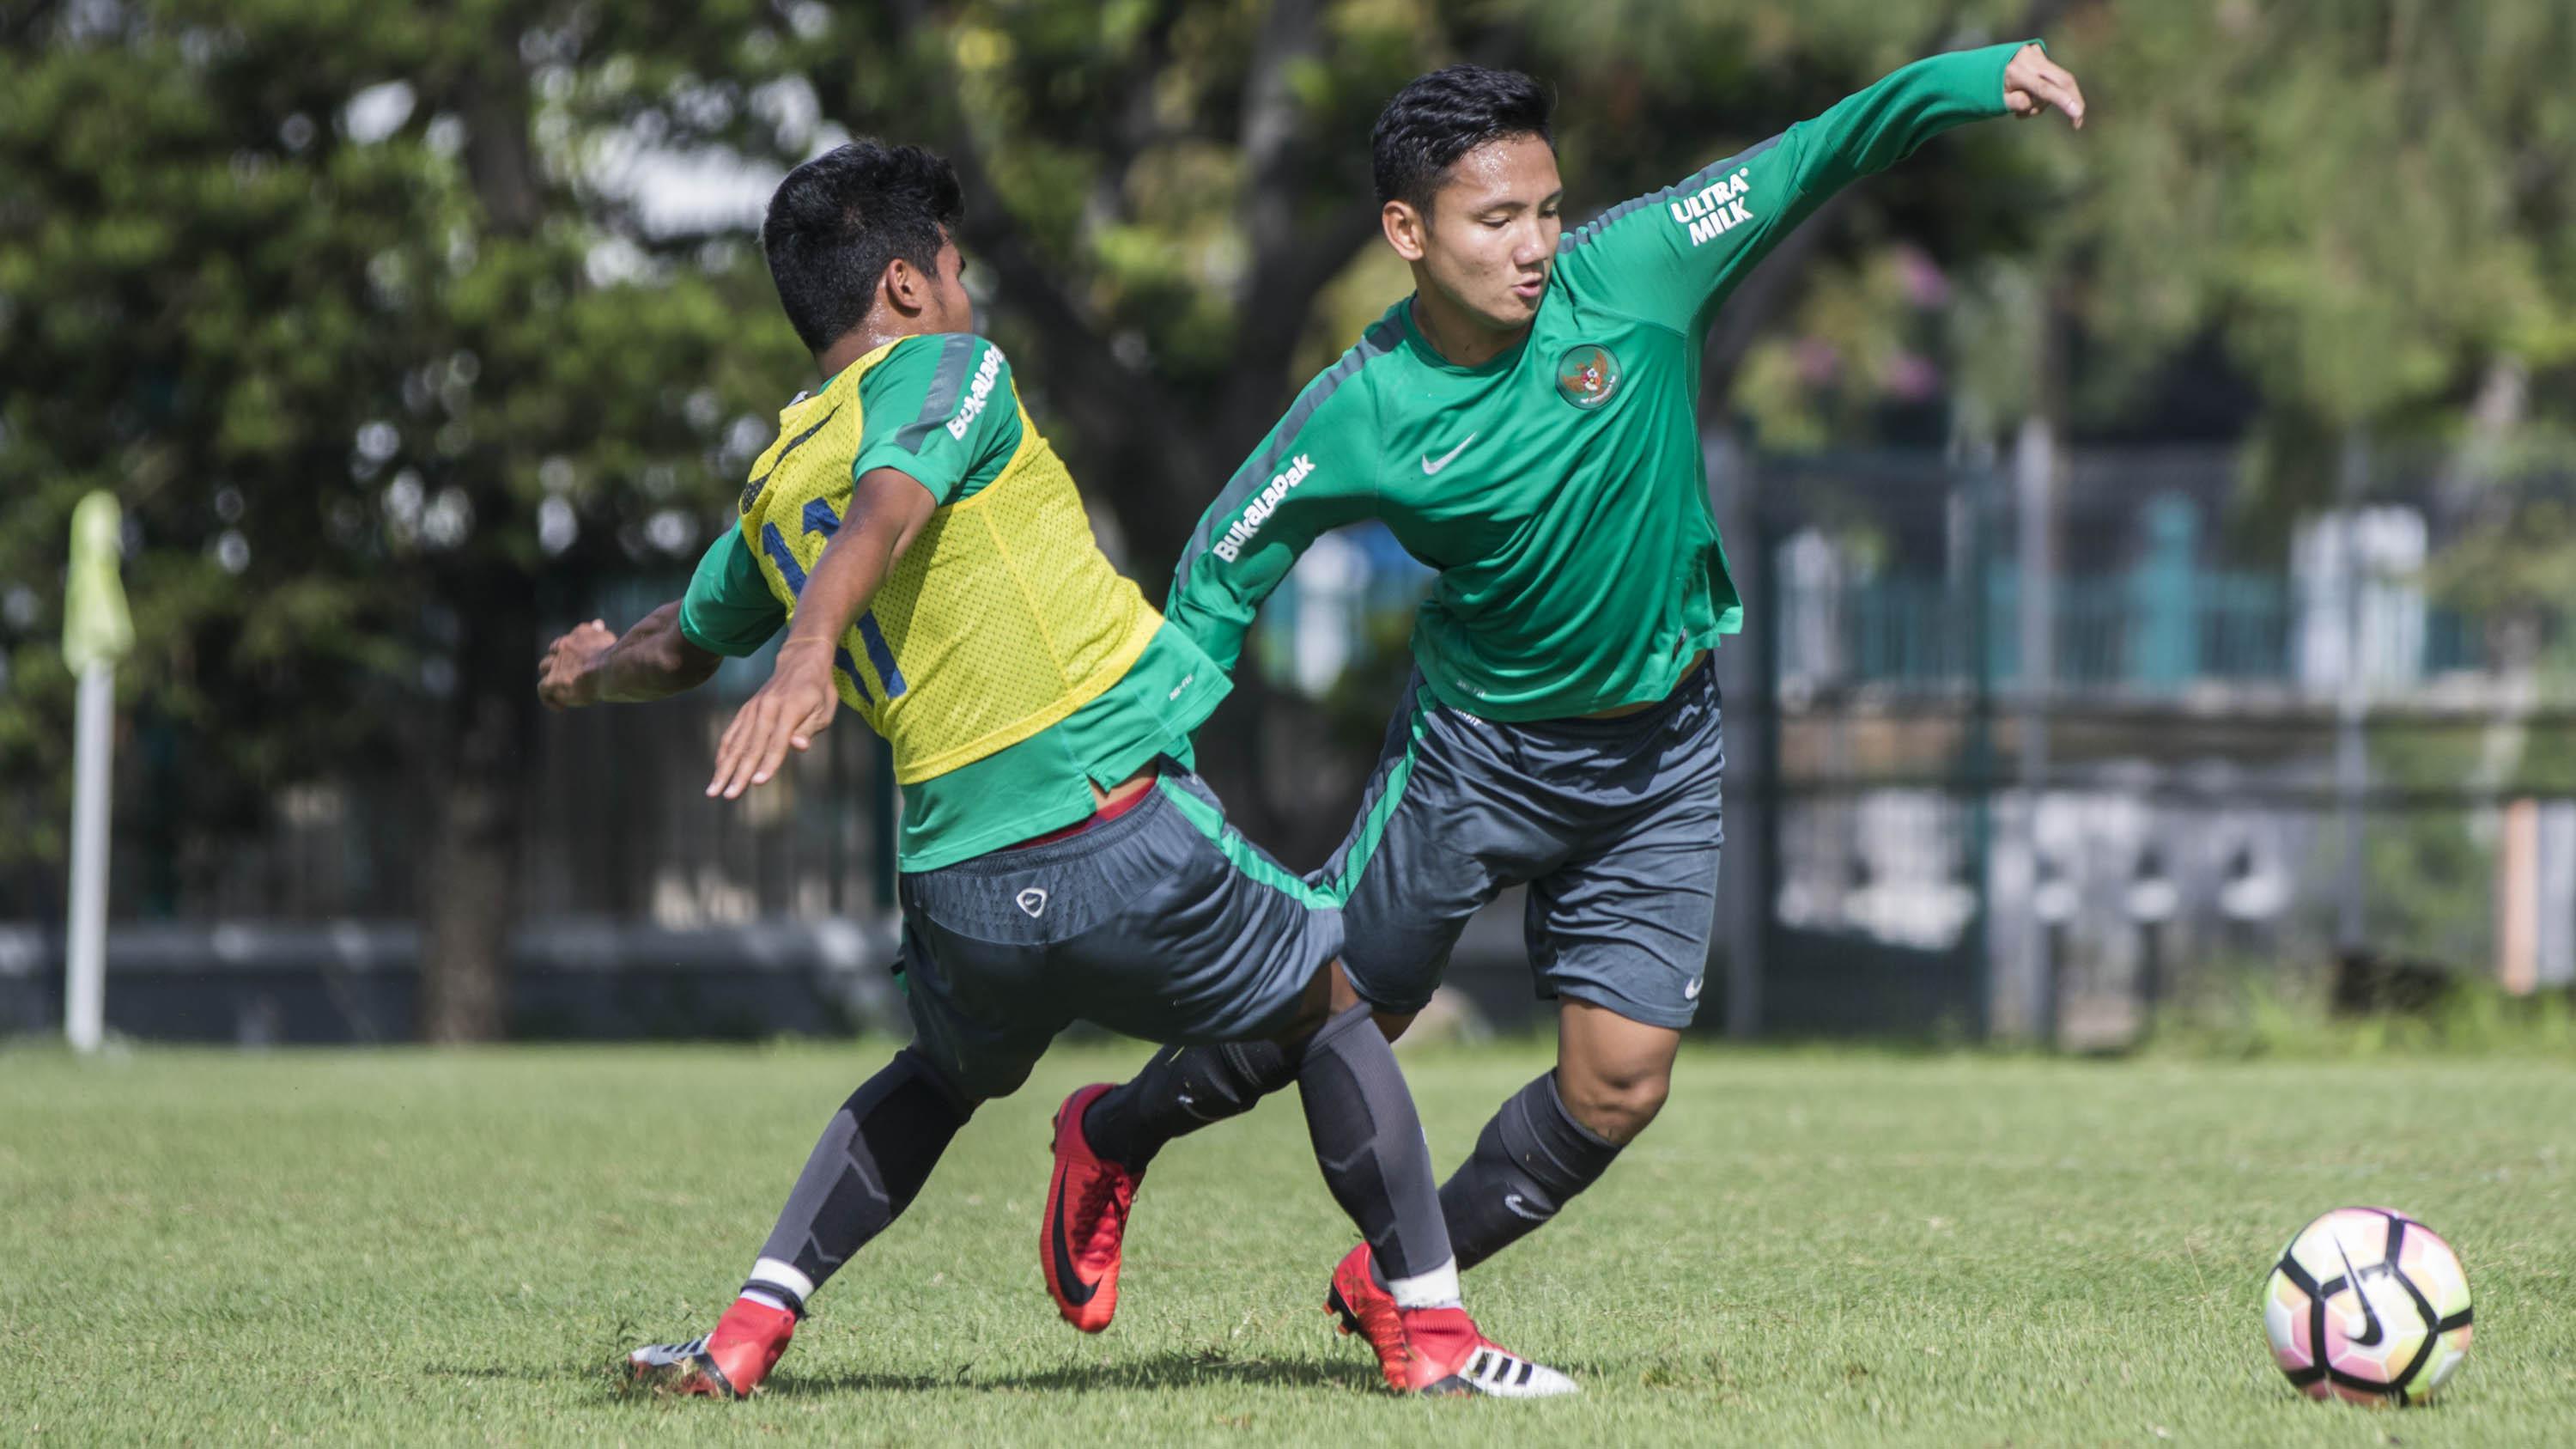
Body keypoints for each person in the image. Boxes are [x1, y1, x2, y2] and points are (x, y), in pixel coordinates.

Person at [1047, 40, 2087, 1354]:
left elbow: (1818, 151)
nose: (1537, 244)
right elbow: (1222, 566)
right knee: (1336, 1014)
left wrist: (1975, 75)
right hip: (1472, 757)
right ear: (1407, 232)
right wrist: (1142, 741)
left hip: (1661, 754)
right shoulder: (1360, 409)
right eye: (1497, 221)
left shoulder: (1641, 267)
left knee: (1621, 1084)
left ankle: (1397, 1281)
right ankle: (1111, 1134)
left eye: (1546, 209)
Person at [536, 140, 1573, 1399]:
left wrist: (591, 671)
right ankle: (1440, 1344)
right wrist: (808, 654)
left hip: (958, 899)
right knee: (1333, 1004)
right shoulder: (948, 370)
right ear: (908, 289)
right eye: (957, 269)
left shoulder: (769, 491)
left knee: (937, 1079)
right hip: (1111, 827)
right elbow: (890, 504)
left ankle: (744, 1337)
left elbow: (676, 644)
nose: (967, 296)